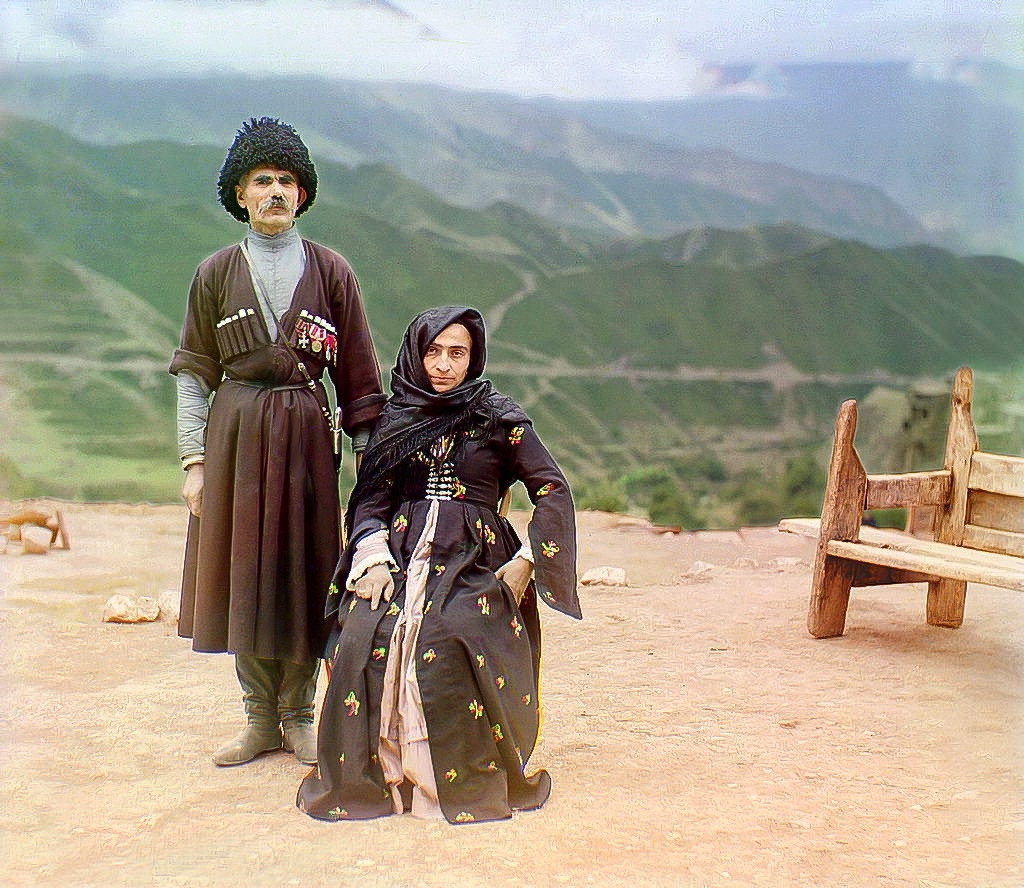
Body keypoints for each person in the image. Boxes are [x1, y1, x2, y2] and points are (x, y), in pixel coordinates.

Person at [296, 305, 582, 824]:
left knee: (454, 631)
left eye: (457, 353)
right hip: (399, 554)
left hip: (473, 559)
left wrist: (526, 561)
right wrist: (372, 559)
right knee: (365, 631)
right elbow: (370, 500)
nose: (444, 365)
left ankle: (441, 777)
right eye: (433, 352)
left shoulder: (498, 417)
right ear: (415, 353)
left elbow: (552, 489)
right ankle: (379, 776)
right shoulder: (395, 419)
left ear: (474, 358)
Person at [169, 117, 386, 767]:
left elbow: (360, 380)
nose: (274, 192)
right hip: (234, 440)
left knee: (306, 573)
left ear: (303, 194)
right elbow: (194, 375)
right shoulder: (214, 273)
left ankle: (299, 715)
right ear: (239, 194)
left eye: (286, 181)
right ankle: (258, 718)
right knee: (244, 574)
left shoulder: (332, 271)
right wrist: (194, 462)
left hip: (307, 440)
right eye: (261, 180)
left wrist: (370, 469)